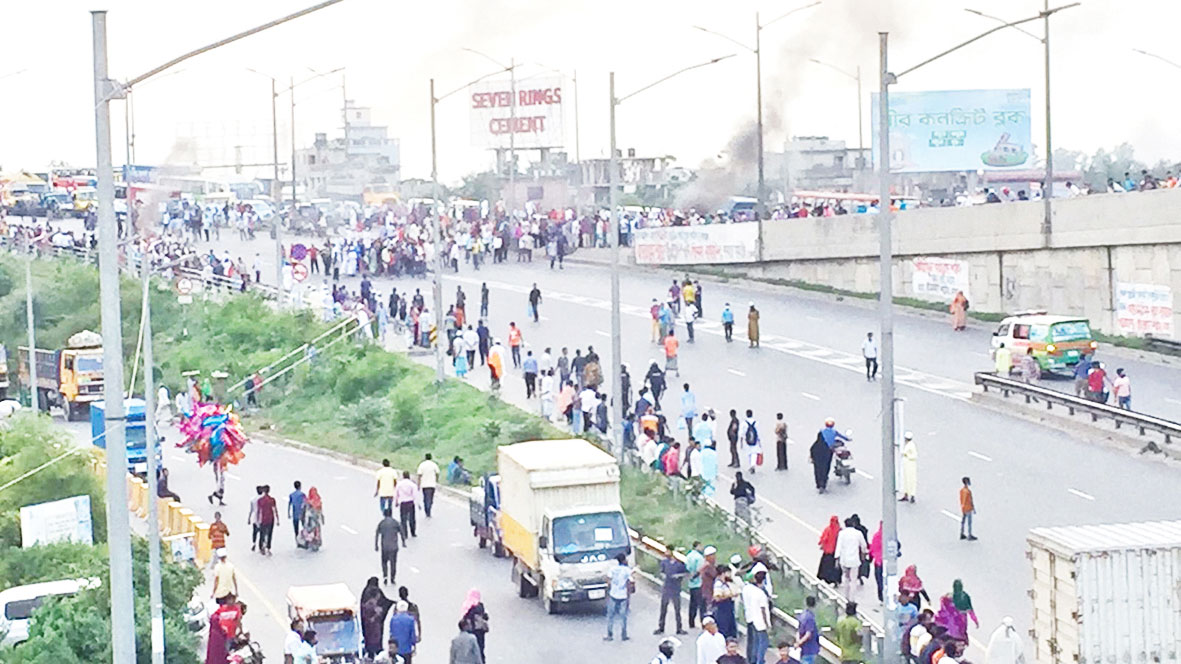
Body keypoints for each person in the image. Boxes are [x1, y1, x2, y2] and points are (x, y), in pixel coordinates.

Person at [655, 547, 688, 635]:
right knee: (663, 609)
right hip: (666, 588)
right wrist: (663, 575)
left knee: (677, 609)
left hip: (676, 589)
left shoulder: (680, 564)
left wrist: (678, 576)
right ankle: (661, 627)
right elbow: (661, 572)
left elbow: (686, 573)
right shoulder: (664, 562)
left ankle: (679, 628)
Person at [742, 570, 771, 664]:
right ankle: (760, 661)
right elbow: (763, 610)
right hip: (761, 622)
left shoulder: (751, 591)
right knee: (763, 643)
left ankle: (753, 660)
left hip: (753, 619)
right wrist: (767, 623)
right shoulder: (761, 594)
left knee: (755, 642)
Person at [360, 577, 394, 659]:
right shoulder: (375, 591)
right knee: (376, 636)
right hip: (375, 622)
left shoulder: (365, 591)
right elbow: (384, 602)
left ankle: (370, 652)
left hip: (367, 622)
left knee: (369, 637)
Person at [206, 596, 244, 664]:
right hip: (223, 636)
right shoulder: (222, 609)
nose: (231, 601)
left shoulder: (236, 609)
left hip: (232, 634)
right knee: (224, 651)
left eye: (233, 599)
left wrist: (241, 631)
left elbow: (238, 621)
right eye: (229, 599)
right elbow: (214, 618)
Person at [605, 553, 633, 641]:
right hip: (623, 595)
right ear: (624, 560)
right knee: (623, 616)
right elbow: (631, 581)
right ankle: (623, 635)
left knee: (610, 616)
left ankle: (609, 635)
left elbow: (608, 581)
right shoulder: (627, 570)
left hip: (613, 594)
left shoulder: (612, 569)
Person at [835, 517, 868, 595]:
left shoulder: (842, 533)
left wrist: (837, 558)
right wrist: (863, 554)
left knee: (846, 578)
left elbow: (838, 546)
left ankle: (846, 596)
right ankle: (852, 598)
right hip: (854, 561)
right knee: (853, 580)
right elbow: (864, 545)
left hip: (844, 560)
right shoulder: (858, 533)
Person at [712, 564, 741, 640]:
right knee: (724, 630)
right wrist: (730, 595)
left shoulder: (725, 583)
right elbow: (717, 597)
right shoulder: (718, 584)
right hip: (723, 610)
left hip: (728, 609)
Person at [460, 588, 490, 661]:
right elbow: (484, 619)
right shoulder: (480, 606)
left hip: (468, 632)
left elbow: (462, 620)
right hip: (479, 632)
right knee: (480, 650)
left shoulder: (466, 605)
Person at [684, 541, 705, 628]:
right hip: (699, 583)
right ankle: (703, 622)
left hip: (691, 584)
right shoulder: (699, 557)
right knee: (702, 605)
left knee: (692, 603)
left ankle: (691, 622)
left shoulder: (689, 556)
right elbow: (700, 570)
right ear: (697, 546)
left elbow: (687, 568)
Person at [816, 516, 841, 586]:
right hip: (835, 552)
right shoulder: (839, 530)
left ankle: (823, 577)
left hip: (827, 551)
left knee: (825, 565)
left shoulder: (828, 529)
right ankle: (835, 580)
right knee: (835, 567)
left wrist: (821, 544)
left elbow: (824, 538)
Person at [796, 596, 821, 664]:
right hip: (810, 648)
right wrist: (799, 642)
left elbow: (798, 631)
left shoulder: (802, 615)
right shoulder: (810, 617)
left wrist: (798, 642)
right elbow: (808, 634)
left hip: (803, 648)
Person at [300, 487, 324, 551]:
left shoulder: (307, 501)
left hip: (309, 519)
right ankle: (316, 542)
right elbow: (321, 511)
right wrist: (322, 519)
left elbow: (303, 509)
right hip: (316, 519)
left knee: (309, 531)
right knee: (316, 531)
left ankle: (308, 542)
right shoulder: (318, 500)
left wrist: (302, 517)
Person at [396, 471, 419, 538]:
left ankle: (404, 533)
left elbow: (396, 494)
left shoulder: (399, 484)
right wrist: (417, 503)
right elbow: (415, 495)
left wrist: (396, 502)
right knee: (412, 518)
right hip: (410, 502)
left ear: (403, 476)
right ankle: (413, 532)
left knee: (403, 519)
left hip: (403, 503)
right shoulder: (412, 484)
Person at [256, 485, 278, 556]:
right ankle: (268, 547)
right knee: (270, 534)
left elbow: (258, 511)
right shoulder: (272, 500)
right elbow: (275, 510)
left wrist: (257, 520)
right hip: (271, 519)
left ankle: (261, 547)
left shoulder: (260, 500)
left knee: (262, 533)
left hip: (263, 519)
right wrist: (277, 519)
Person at [416, 453, 440, 518]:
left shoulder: (422, 465)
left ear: (425, 457)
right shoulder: (434, 465)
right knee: (431, 498)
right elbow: (437, 473)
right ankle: (429, 509)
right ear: (431, 457)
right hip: (432, 484)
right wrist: (436, 480)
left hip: (424, 484)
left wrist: (418, 484)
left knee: (426, 498)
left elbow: (419, 475)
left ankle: (427, 510)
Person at [900, 432, 918, 503]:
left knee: (911, 480)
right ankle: (906, 494)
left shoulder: (911, 446)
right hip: (906, 464)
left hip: (911, 465)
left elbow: (914, 456)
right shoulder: (908, 445)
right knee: (906, 479)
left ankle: (912, 495)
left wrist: (907, 455)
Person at [959, 477, 976, 541]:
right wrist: (972, 507)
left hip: (964, 508)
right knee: (969, 522)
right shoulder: (967, 491)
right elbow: (967, 500)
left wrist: (962, 507)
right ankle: (969, 535)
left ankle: (962, 533)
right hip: (968, 508)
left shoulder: (962, 490)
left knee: (963, 521)